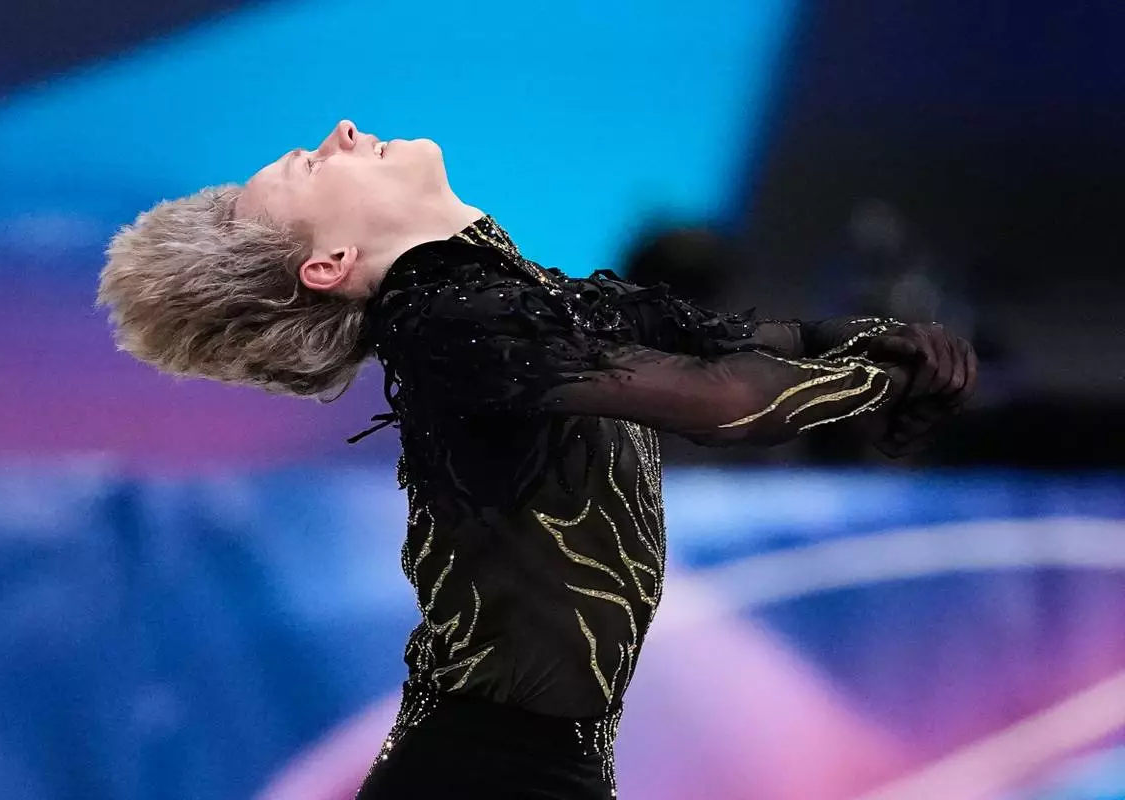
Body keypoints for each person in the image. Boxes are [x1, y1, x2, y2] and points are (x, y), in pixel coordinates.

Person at [97, 120, 976, 798]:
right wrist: (880, 379)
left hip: (519, 765)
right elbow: (726, 401)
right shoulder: (453, 326)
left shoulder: (517, 300)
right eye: (313, 166)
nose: (344, 133)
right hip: (485, 772)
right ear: (329, 263)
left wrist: (887, 346)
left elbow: (734, 340)